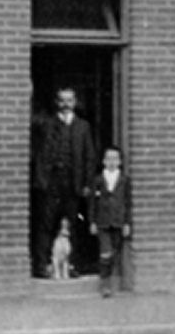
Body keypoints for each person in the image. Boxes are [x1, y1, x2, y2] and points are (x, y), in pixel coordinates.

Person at [31, 87, 97, 278]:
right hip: (51, 182)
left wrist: (87, 183)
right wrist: (41, 180)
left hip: (73, 183)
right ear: (56, 102)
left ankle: (73, 264)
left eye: (69, 100)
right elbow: (39, 154)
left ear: (75, 102)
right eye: (62, 100)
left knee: (74, 224)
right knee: (46, 223)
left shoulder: (83, 127)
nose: (65, 104)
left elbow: (89, 157)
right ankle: (42, 265)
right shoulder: (47, 124)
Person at [89, 145, 131, 297]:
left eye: (115, 159)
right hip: (103, 221)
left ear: (119, 161)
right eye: (108, 159)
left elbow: (127, 202)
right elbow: (92, 202)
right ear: (103, 161)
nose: (112, 162)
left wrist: (127, 223)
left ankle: (110, 277)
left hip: (118, 220)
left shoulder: (124, 180)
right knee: (105, 251)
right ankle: (105, 284)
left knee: (114, 251)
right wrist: (92, 221)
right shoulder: (98, 180)